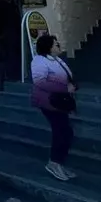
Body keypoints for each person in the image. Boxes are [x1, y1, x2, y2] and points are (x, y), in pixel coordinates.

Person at [31, 34, 77, 182]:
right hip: (49, 102)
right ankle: (54, 163)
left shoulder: (57, 60)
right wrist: (65, 87)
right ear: (48, 47)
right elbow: (40, 82)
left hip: (60, 101)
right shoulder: (39, 61)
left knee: (66, 131)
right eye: (56, 44)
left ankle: (59, 163)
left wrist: (72, 86)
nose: (59, 46)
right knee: (61, 131)